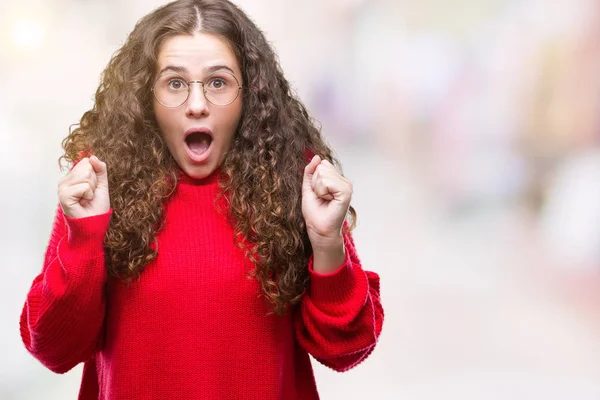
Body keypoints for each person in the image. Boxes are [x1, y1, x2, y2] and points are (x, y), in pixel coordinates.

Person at [19, 0, 384, 399]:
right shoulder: (102, 184)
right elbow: (53, 349)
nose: (197, 105)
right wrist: (85, 238)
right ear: (146, 95)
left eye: (218, 83)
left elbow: (346, 349)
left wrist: (327, 242)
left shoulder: (292, 183)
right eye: (175, 83)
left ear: (249, 94)